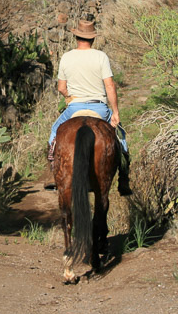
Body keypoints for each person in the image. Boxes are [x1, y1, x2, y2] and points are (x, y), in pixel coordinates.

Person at [46, 19, 131, 196]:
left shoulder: (67, 57)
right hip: (99, 108)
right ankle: (124, 178)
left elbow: (61, 87)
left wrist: (69, 97)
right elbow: (110, 86)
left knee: (54, 132)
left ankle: (54, 174)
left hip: (74, 107)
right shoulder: (101, 57)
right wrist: (115, 112)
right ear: (93, 38)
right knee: (121, 137)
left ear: (76, 37)